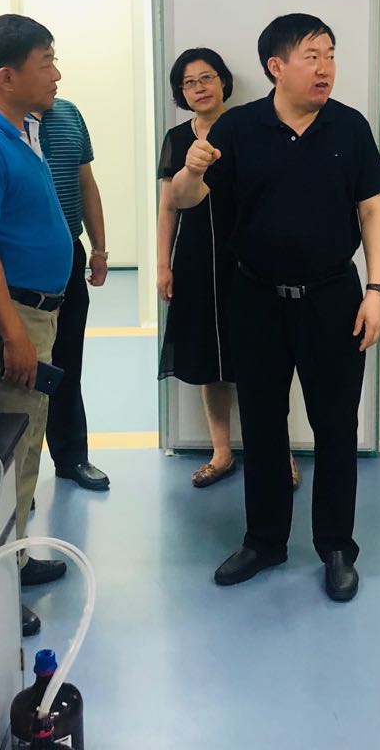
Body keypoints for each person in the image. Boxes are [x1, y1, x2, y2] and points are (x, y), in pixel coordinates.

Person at [170, 13, 380, 602]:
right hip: (256, 297)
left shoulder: (349, 126)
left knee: (335, 424)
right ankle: (264, 541)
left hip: (333, 297)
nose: (326, 68)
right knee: (263, 422)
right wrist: (190, 170)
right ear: (276, 67)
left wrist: (376, 290)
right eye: (312, 56)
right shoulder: (239, 128)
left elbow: (372, 210)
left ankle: (336, 547)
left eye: (330, 54)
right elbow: (185, 198)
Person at [0, 13, 73, 638]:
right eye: (46, 63)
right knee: (11, 454)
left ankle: (18, 557)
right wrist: (12, 334)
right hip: (18, 315)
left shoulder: (20, 127)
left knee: (29, 443)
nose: (56, 74)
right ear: (7, 77)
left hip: (39, 309)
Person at [157, 47, 299, 490]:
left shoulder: (249, 128)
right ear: (181, 93)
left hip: (250, 258)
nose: (199, 88)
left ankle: (278, 454)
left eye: (206, 78)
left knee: (263, 358)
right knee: (208, 355)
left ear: (223, 82)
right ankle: (221, 452)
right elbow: (169, 207)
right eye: (189, 83)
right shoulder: (177, 138)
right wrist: (163, 264)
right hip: (196, 258)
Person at [38, 95, 111, 492]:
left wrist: (99, 249)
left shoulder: (68, 114)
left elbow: (86, 182)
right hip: (16, 265)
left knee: (67, 360)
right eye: (45, 66)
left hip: (69, 252)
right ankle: (16, 475)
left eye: (55, 65)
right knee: (15, 370)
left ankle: (71, 458)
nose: (55, 75)